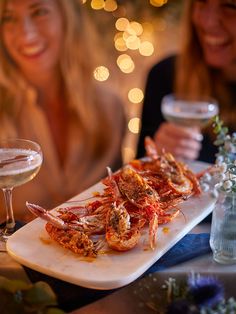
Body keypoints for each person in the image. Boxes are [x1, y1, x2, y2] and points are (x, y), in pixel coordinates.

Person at [0, 0, 125, 222]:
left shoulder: (110, 108)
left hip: (94, 255)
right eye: (9, 18)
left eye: (39, 12)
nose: (26, 34)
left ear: (68, 17)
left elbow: (120, 203)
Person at [137, 0, 236, 163]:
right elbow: (134, 171)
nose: (207, 21)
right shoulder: (165, 75)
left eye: (230, 6)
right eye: (201, 1)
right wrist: (158, 158)